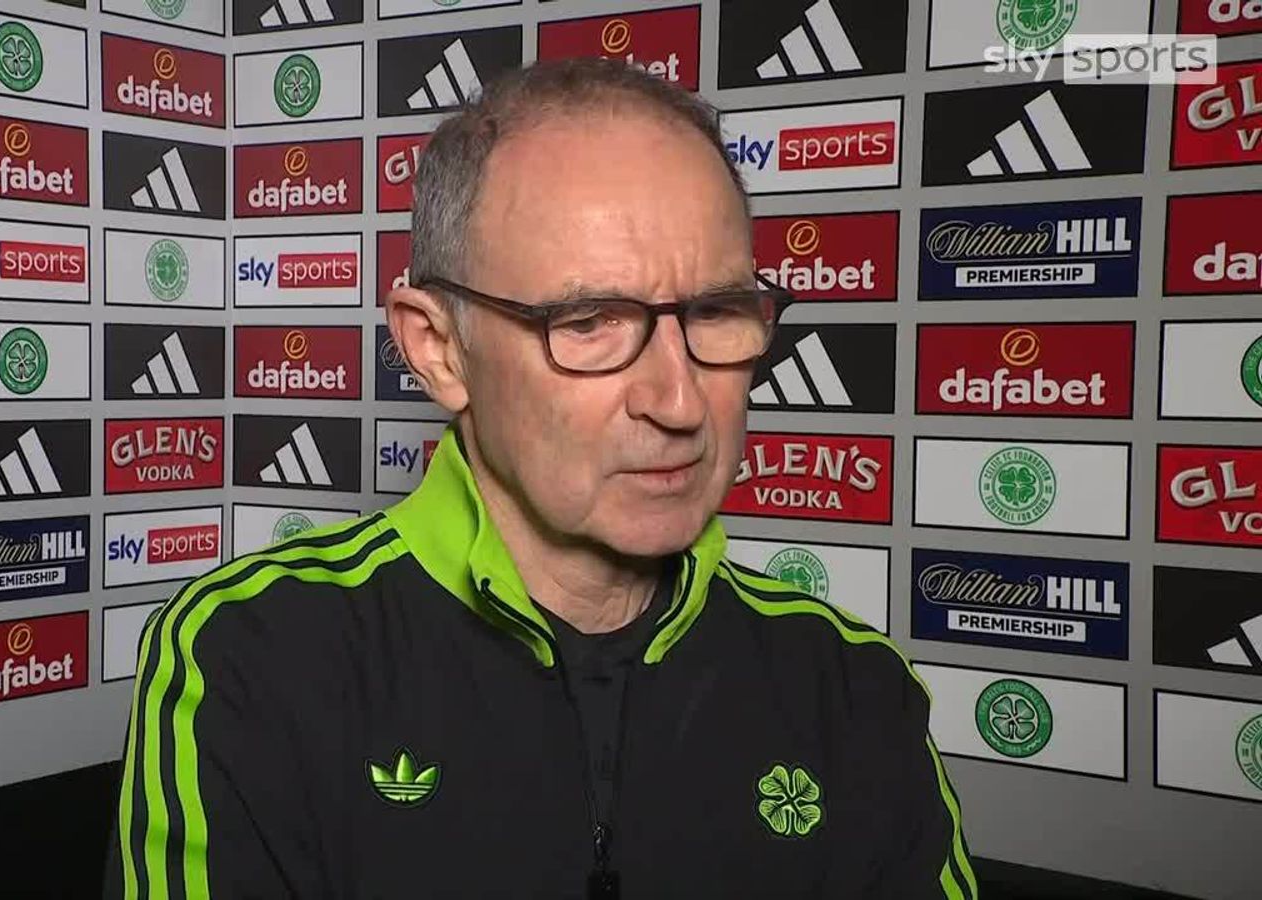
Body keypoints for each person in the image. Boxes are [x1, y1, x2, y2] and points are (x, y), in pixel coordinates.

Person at [110, 57, 977, 899]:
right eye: (590, 321)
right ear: (439, 349)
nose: (680, 401)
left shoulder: (853, 686)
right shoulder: (251, 657)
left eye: (715, 311)